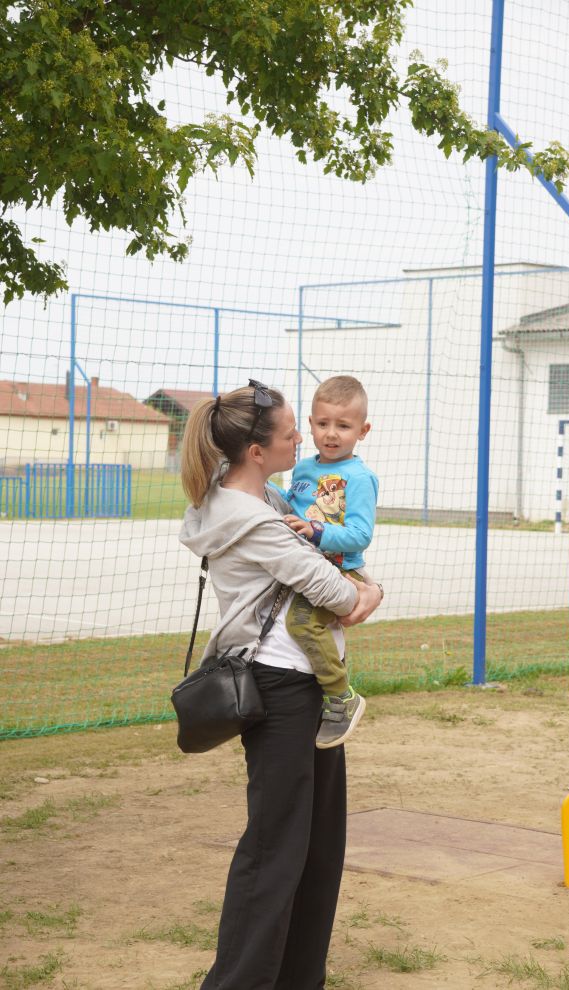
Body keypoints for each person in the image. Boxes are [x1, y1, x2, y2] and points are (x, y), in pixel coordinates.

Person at [179, 379, 383, 990]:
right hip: (284, 690)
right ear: (257, 451)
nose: (306, 437)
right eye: (293, 430)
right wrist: (373, 590)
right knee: (275, 850)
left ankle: (300, 977)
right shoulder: (257, 521)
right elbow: (341, 597)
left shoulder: (249, 494)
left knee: (319, 847)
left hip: (306, 690)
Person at [282, 375, 379, 749]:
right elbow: (292, 506)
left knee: (302, 623)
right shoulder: (305, 469)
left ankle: (341, 696)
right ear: (310, 424)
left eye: (343, 425)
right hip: (309, 565)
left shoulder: (358, 477)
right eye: (323, 424)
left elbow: (359, 535)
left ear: (363, 430)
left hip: (341, 570)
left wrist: (316, 531)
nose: (332, 434)